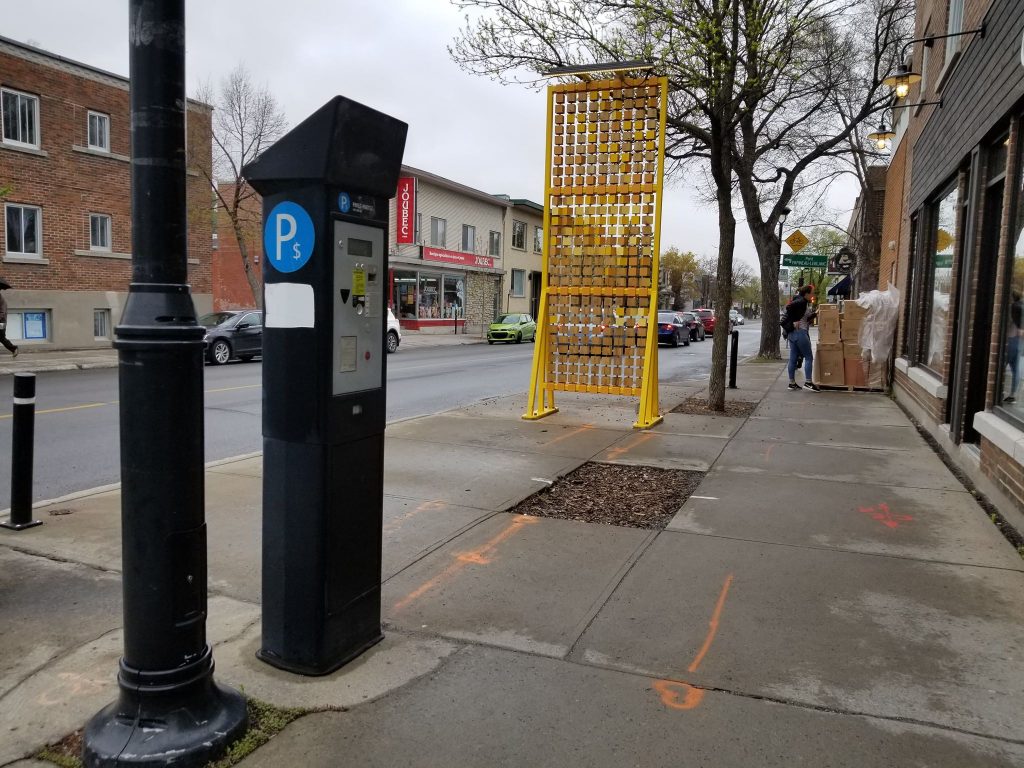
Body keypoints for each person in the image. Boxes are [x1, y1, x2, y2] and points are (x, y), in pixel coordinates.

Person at [785, 285, 817, 391]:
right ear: (806, 293)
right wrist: (795, 320)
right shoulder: (802, 301)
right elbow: (788, 307)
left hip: (792, 334)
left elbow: (805, 319)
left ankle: (792, 383)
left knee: (793, 358)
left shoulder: (801, 302)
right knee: (808, 357)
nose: (813, 295)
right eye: (812, 292)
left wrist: (816, 313)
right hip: (800, 333)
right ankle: (808, 382)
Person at [1005, 291, 1022, 403]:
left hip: (1011, 339)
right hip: (1018, 341)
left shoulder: (1014, 308)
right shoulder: (1020, 307)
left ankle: (995, 391)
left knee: (1001, 365)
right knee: (1016, 369)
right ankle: (1013, 395)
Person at [0, 281, 18, 358]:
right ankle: (13, 348)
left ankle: (14, 348)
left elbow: (2, 312)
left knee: (1, 337)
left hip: (1, 322)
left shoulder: (1, 299)